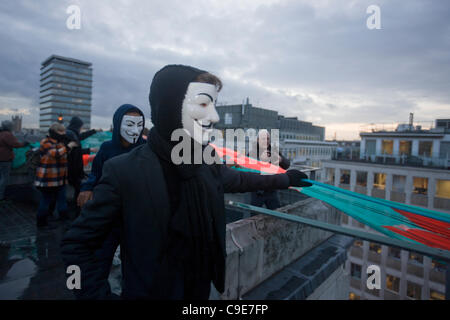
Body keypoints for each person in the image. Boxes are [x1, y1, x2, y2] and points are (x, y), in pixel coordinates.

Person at [61, 64, 311, 300]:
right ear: (171, 108)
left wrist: (285, 179)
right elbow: (78, 244)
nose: (213, 117)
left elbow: (239, 179)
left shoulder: (204, 160)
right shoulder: (123, 171)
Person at [77, 104, 145, 282]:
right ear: (117, 124)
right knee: (101, 258)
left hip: (136, 215)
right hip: (110, 214)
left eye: (139, 125)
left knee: (135, 262)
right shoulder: (107, 148)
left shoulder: (146, 148)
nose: (135, 130)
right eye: (130, 124)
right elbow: (96, 174)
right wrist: (87, 188)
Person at [35, 123, 76, 227]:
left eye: (64, 132)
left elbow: (64, 155)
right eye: (61, 132)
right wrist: (68, 146)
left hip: (60, 178)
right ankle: (41, 223)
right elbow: (55, 154)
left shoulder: (60, 142)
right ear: (54, 132)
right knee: (46, 200)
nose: (63, 134)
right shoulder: (46, 142)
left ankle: (64, 219)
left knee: (62, 199)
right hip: (48, 179)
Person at [65, 117, 99, 215]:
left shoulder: (71, 133)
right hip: (73, 169)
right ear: (77, 126)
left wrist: (93, 131)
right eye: (81, 127)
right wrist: (90, 150)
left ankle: (74, 208)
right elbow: (76, 152)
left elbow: (80, 137)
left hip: (72, 168)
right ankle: (76, 209)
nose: (81, 129)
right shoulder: (71, 135)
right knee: (78, 188)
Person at [250, 129, 291, 210]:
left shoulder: (274, 151)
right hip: (257, 190)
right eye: (263, 138)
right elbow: (248, 169)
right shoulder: (252, 153)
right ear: (258, 140)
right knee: (254, 215)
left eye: (268, 138)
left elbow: (286, 165)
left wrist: (281, 160)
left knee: (275, 213)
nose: (266, 141)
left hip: (272, 189)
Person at [0, 120, 29, 204]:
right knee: (4, 179)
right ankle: (1, 197)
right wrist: (24, 144)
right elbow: (16, 144)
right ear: (9, 127)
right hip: (5, 159)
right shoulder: (7, 134)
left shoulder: (1, 133)